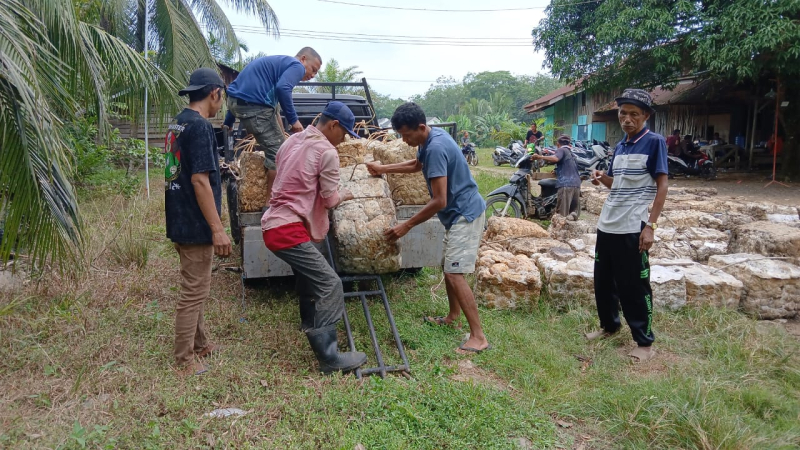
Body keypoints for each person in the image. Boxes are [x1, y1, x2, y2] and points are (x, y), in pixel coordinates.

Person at [366, 103, 490, 353]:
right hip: (456, 214)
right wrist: (383, 168)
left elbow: (439, 200)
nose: (404, 139)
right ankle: (453, 317)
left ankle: (478, 336)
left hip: (465, 214)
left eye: (407, 135)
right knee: (449, 267)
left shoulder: (435, 147)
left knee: (455, 272)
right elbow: (416, 165)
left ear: (421, 127)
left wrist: (407, 225)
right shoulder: (430, 139)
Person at [261, 102, 367, 375]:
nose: (343, 140)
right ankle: (329, 358)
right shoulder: (326, 151)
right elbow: (330, 199)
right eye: (343, 133)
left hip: (274, 223)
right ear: (332, 125)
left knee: (309, 274)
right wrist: (347, 194)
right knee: (330, 283)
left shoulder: (291, 140)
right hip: (287, 229)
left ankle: (309, 323)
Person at [587, 89, 668, 363]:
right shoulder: (620, 146)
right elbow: (618, 183)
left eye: (634, 114)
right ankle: (610, 326)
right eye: (623, 113)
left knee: (634, 286)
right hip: (607, 224)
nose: (627, 119)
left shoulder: (654, 142)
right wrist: (602, 178)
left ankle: (644, 342)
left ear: (646, 115)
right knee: (603, 281)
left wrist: (651, 227)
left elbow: (662, 185)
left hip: (633, 227)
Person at [164, 68, 232, 376]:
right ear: (215, 93)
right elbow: (199, 181)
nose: (221, 103)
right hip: (195, 221)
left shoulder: (177, 123)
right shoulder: (201, 127)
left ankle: (201, 343)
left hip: (179, 215)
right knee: (193, 291)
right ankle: (184, 360)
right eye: (222, 96)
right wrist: (217, 228)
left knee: (197, 286)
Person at [226, 48, 322, 205]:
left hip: (236, 103)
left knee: (281, 144)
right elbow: (283, 88)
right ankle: (272, 204)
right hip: (254, 107)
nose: (312, 76)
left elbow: (238, 91)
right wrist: (294, 120)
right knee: (280, 154)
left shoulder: (276, 68)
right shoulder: (296, 65)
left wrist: (228, 121)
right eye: (313, 69)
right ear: (303, 59)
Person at [531, 134, 582, 220]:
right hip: (576, 185)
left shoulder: (561, 150)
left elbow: (555, 159)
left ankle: (559, 232)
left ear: (558, 144)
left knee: (561, 216)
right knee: (573, 214)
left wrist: (540, 157)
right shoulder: (571, 153)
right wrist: (556, 170)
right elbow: (568, 166)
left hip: (566, 184)